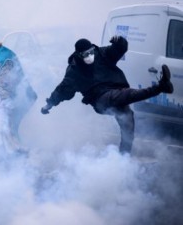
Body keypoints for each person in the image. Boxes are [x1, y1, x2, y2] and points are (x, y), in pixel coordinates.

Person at [40, 36, 174, 154]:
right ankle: (160, 87)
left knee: (127, 118)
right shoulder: (74, 71)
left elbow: (118, 50)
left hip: (116, 90)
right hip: (100, 100)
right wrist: (49, 104)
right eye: (86, 54)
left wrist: (119, 42)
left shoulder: (101, 53)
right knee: (126, 94)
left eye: (91, 52)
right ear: (79, 55)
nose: (90, 56)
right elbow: (62, 90)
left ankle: (124, 157)